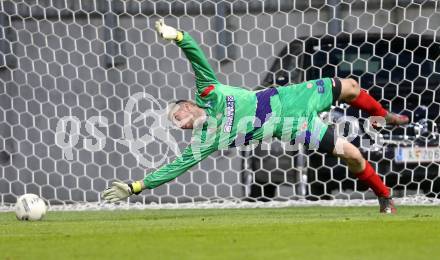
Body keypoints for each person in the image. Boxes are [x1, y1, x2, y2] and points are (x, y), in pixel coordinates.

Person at [102, 19, 409, 213]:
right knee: (353, 155)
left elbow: (196, 57)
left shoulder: (209, 91)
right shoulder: (206, 140)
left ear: (188, 105)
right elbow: (174, 168)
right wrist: (134, 187)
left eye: (178, 115)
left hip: (293, 96)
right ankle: (384, 196)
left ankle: (383, 116)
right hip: (298, 127)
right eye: (176, 124)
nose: (180, 123)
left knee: (352, 87)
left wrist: (178, 36)